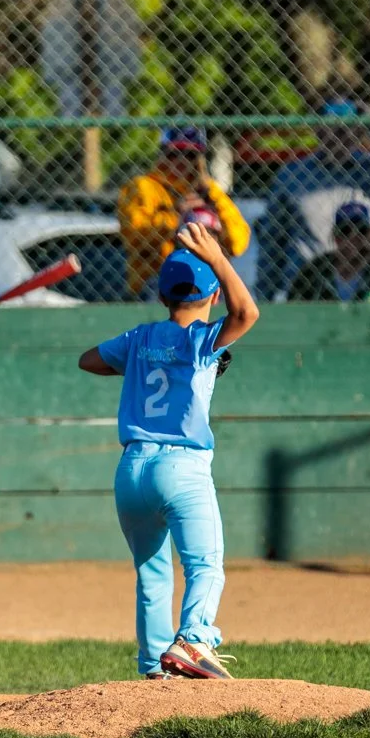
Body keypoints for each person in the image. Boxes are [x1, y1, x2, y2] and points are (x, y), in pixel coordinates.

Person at [76, 218, 260, 680]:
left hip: (132, 471)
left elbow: (89, 360)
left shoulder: (139, 339)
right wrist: (219, 257)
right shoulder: (200, 339)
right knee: (206, 565)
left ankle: (153, 668)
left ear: (162, 296)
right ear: (213, 294)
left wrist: (137, 365)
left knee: (152, 575)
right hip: (181, 468)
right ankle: (195, 641)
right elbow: (247, 314)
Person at [261, 99, 370, 298]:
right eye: (332, 129)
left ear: (359, 133)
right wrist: (265, 296)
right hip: (308, 292)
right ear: (318, 131)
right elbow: (272, 242)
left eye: (347, 129)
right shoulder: (293, 175)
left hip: (367, 290)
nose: (339, 136)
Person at [117, 126, 251, 299]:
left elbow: (237, 244)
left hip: (205, 279)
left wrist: (214, 204)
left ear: (200, 160)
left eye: (190, 155)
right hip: (155, 281)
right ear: (162, 155)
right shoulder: (143, 186)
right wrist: (176, 214)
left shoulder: (210, 191)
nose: (181, 160)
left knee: (230, 290)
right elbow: (134, 235)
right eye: (174, 153)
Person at [287, 202, 370, 302]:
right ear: (335, 235)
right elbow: (294, 305)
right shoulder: (316, 270)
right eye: (345, 230)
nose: (352, 238)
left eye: (361, 230)